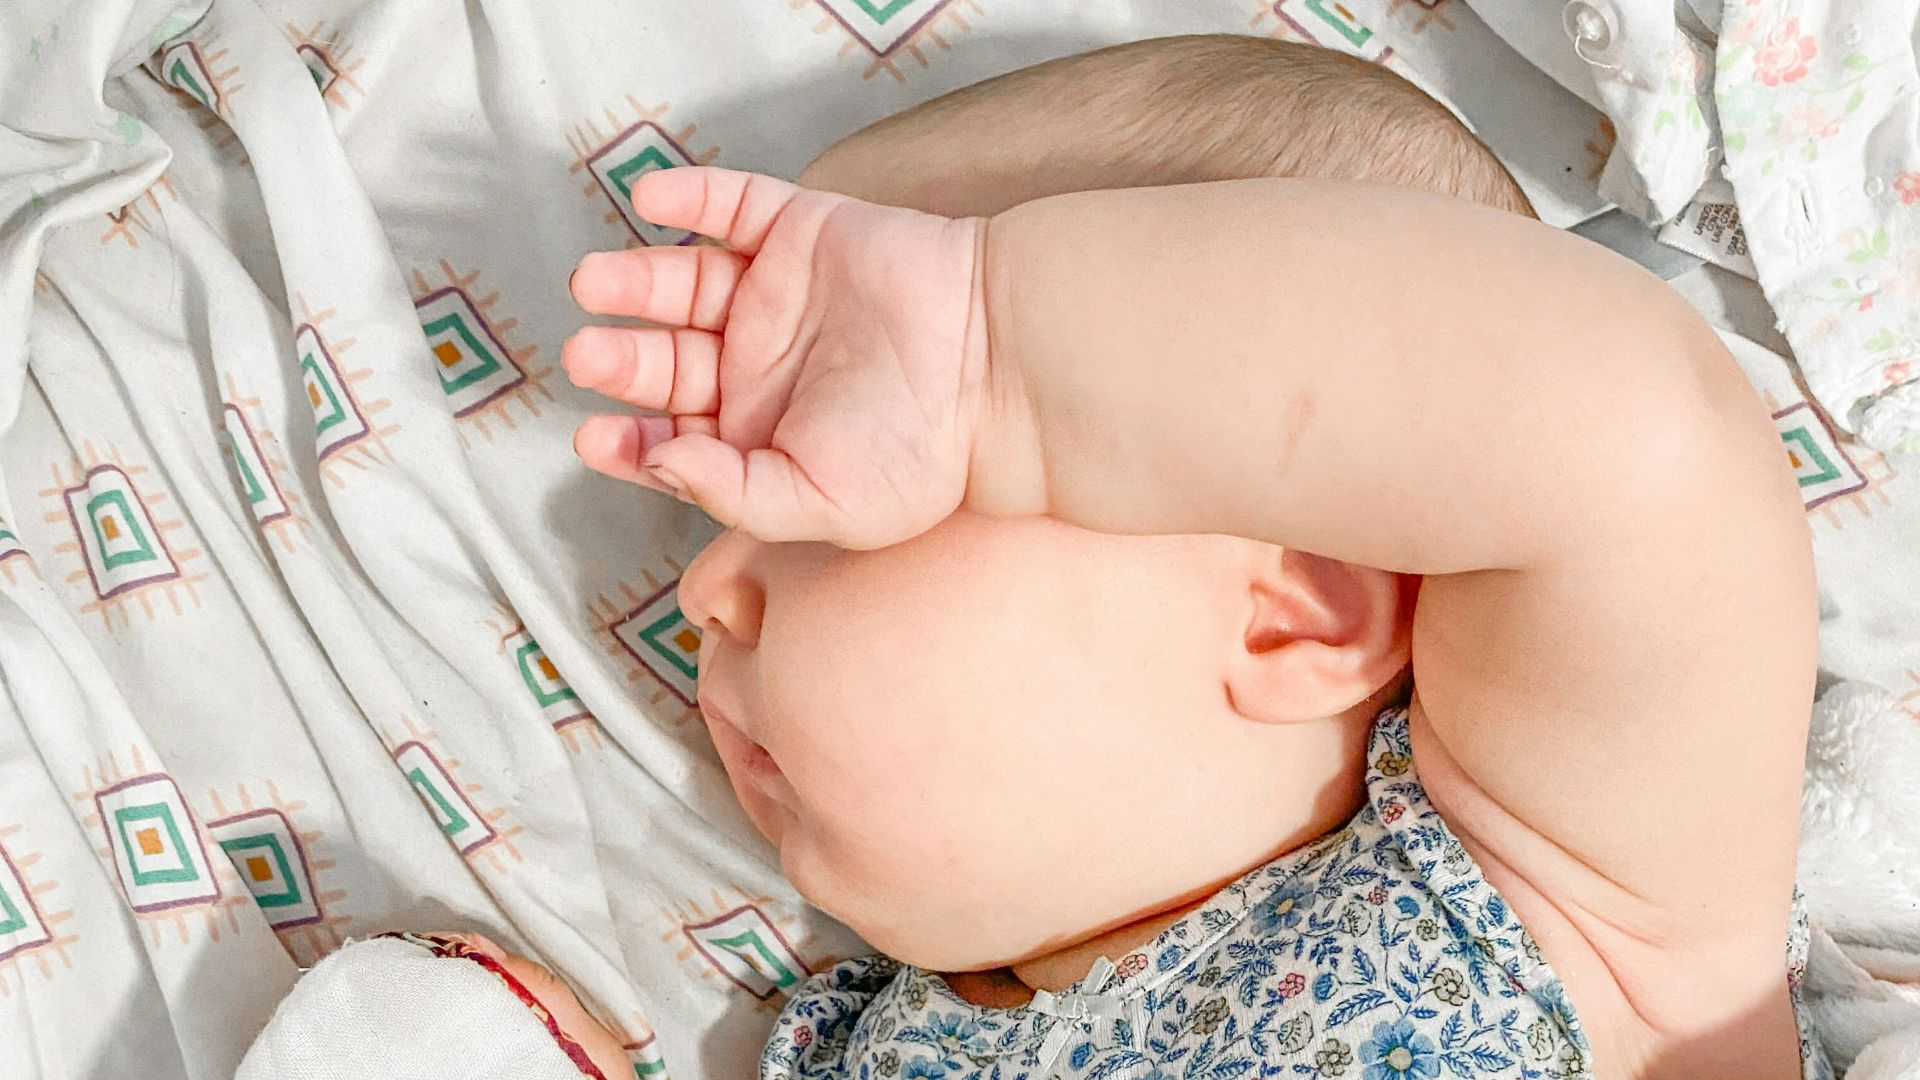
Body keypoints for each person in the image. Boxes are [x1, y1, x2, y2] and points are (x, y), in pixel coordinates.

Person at [563, 34, 1822, 1080]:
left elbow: (1628, 437)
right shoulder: (866, 1043)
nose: (703, 592)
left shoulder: (1563, 912)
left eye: (834, 515)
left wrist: (993, 352)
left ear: (1297, 609)